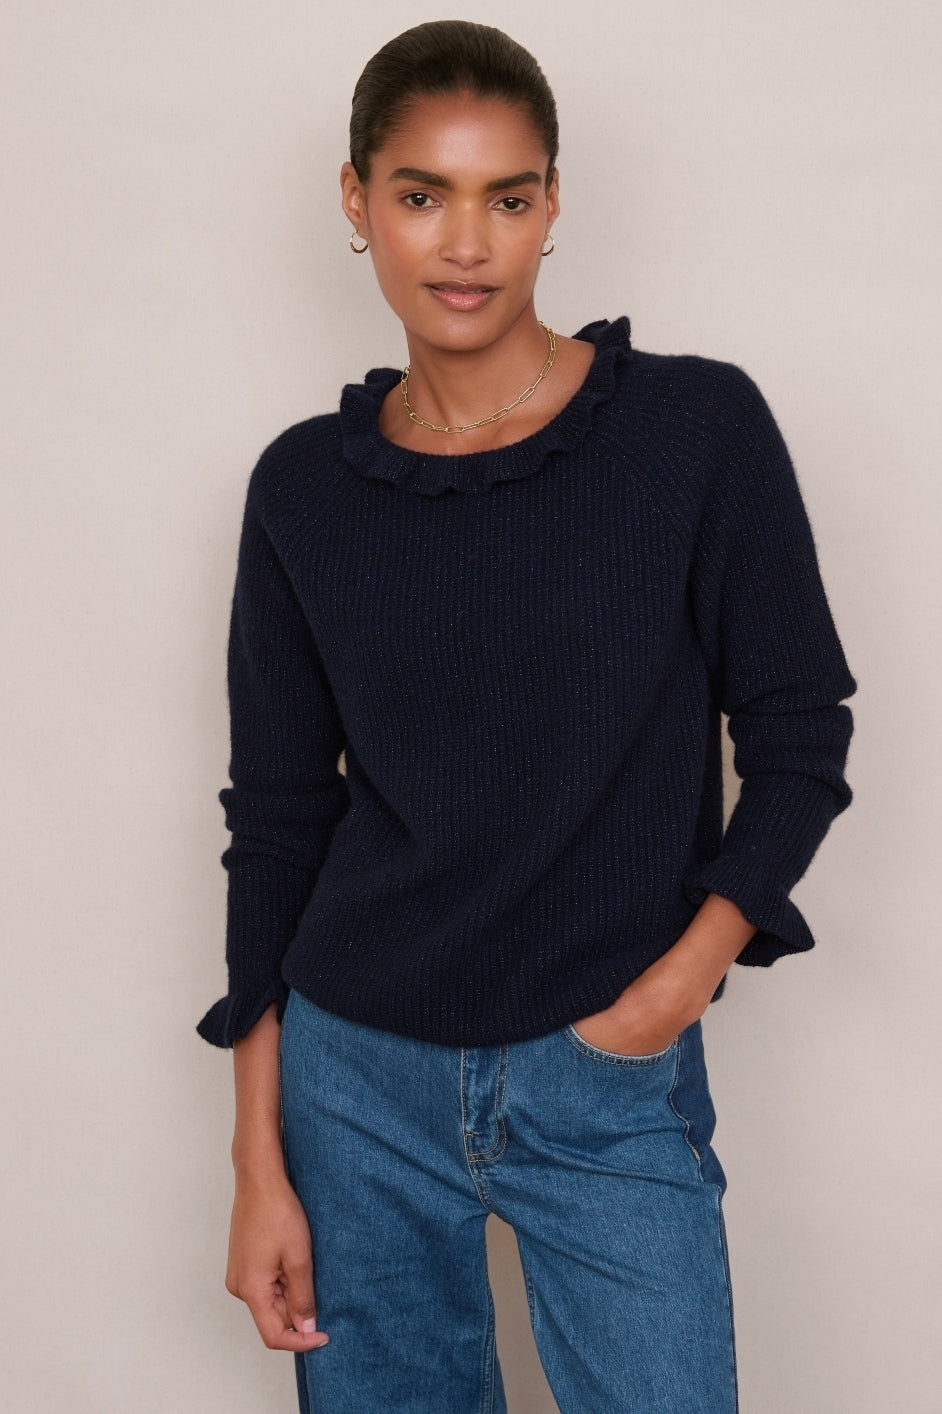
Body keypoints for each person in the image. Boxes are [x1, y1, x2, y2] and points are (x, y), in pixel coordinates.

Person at [196, 19, 857, 1414]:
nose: (465, 243)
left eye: (506, 197)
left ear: (552, 204)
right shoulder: (303, 489)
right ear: (356, 200)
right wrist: (258, 1158)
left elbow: (800, 734)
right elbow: (278, 821)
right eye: (420, 193)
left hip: (604, 1072)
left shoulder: (692, 432)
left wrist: (670, 991)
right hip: (353, 1084)